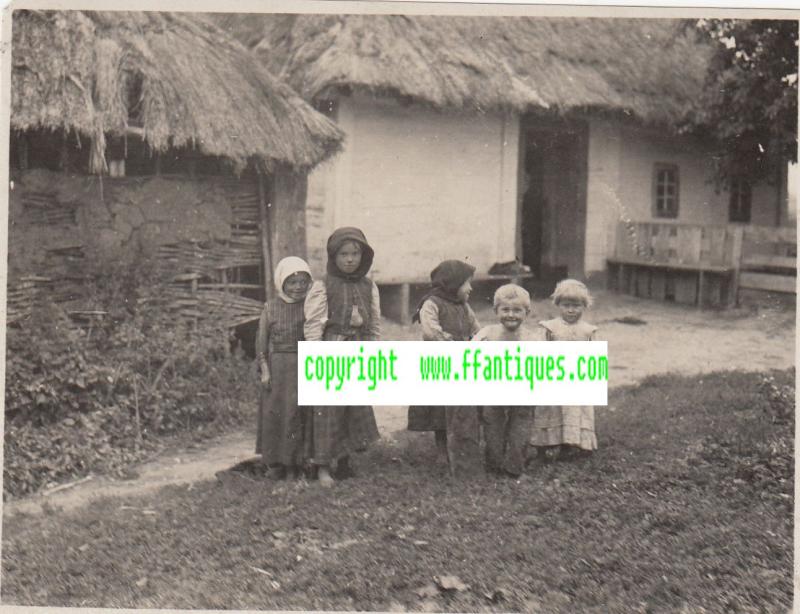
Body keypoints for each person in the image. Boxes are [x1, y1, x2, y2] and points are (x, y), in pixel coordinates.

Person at [303, 227, 381, 487]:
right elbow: (314, 326)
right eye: (344, 254)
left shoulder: (369, 286)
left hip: (358, 349)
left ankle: (345, 461)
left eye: (355, 254)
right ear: (333, 257)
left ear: (364, 256)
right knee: (329, 411)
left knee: (352, 408)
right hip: (332, 350)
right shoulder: (322, 286)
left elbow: (373, 325)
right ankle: (323, 466)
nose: (349, 259)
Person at [407, 259, 483, 477]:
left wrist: (478, 341)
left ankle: (462, 445)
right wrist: (451, 343)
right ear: (452, 283)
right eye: (466, 283)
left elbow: (475, 329)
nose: (470, 288)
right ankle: (442, 450)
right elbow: (431, 331)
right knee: (439, 409)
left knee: (461, 407)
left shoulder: (464, 306)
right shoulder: (431, 304)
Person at [473, 283, 541, 477]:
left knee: (521, 425)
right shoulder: (487, 334)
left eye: (517, 310)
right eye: (505, 309)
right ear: (496, 310)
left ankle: (514, 465)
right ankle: (494, 463)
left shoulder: (531, 338)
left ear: (527, 312)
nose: (511, 314)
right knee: (492, 424)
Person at [256, 256, 313, 480]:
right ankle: (279, 463)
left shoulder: (310, 306)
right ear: (282, 282)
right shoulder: (270, 308)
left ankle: (298, 464)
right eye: (292, 282)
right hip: (279, 368)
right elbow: (261, 342)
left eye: (302, 282)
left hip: (303, 365)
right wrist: (265, 370)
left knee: (298, 415)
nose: (298, 287)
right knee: (278, 414)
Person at [531, 279, 599, 460]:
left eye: (576, 305)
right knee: (551, 410)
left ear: (584, 306)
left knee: (576, 409)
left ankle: (575, 443)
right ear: (558, 304)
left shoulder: (587, 330)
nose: (571, 310)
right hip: (555, 376)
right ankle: (546, 444)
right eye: (566, 305)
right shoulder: (550, 327)